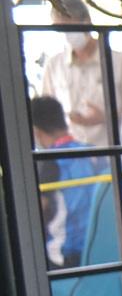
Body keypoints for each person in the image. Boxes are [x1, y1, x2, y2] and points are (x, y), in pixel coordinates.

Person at [38, 0, 122, 150]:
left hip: (113, 152)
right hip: (71, 158)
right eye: (61, 30)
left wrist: (106, 117)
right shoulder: (54, 66)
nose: (67, 36)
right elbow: (47, 115)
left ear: (86, 21)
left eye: (70, 28)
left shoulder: (120, 62)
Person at [28, 96, 104, 269]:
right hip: (103, 248)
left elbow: (35, 214)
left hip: (67, 257)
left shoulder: (50, 162)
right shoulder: (93, 152)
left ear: (36, 132)